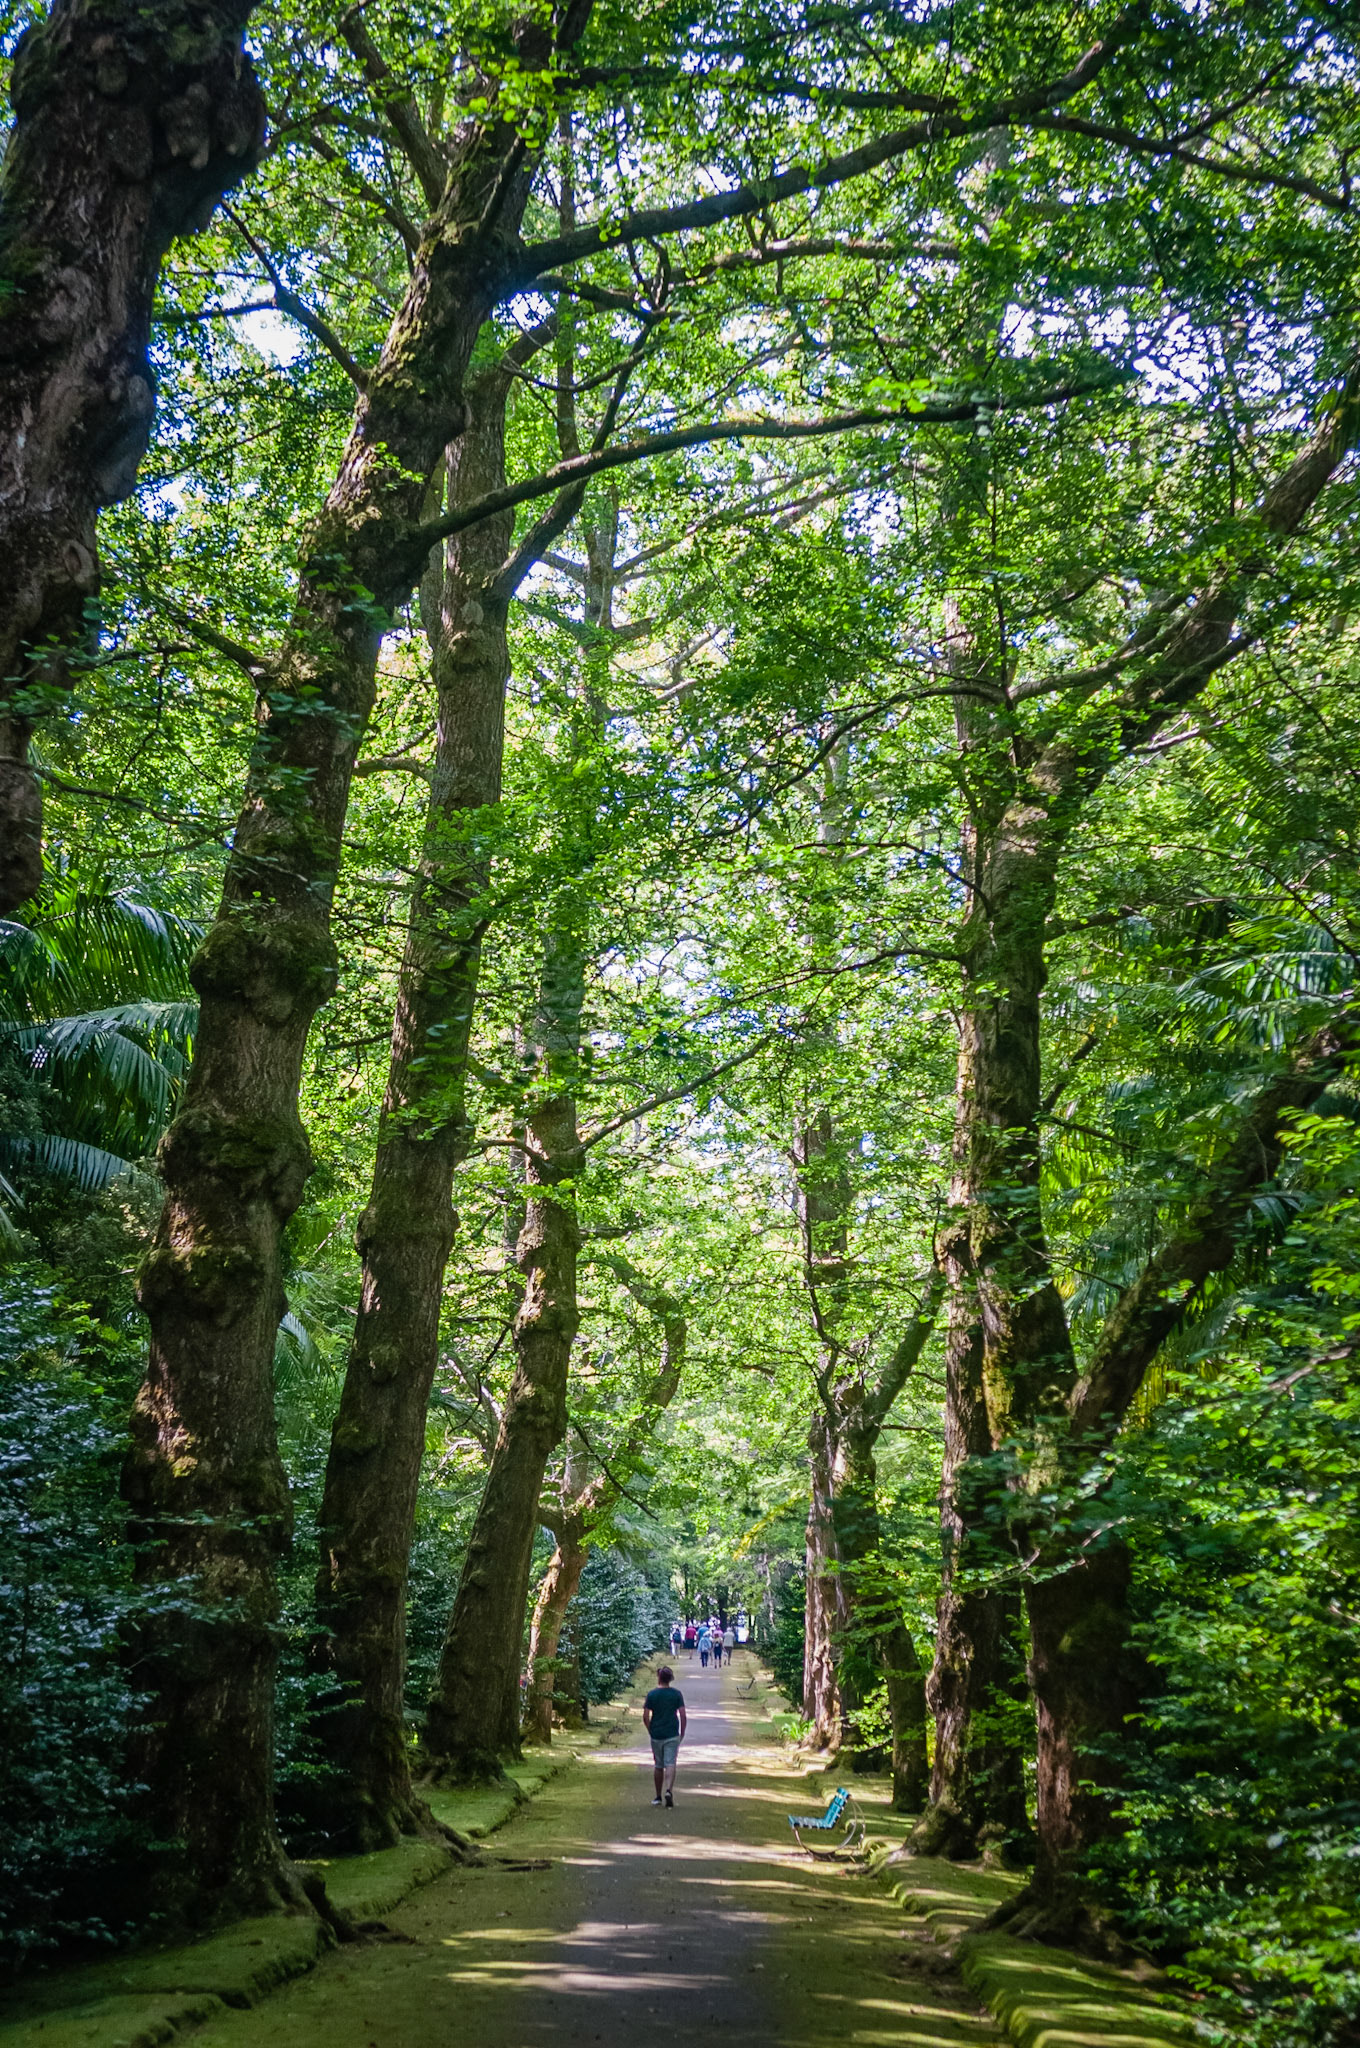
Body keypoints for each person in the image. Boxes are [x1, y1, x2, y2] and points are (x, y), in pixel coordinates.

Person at [642, 1664, 687, 1807]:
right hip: (672, 1733)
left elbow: (645, 1716)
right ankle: (668, 1790)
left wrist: (650, 1729)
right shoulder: (676, 1694)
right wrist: (682, 1732)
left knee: (658, 1765)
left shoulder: (652, 1694)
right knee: (670, 1763)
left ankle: (658, 1796)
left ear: (659, 1678)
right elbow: (683, 1715)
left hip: (657, 1734)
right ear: (670, 1679)